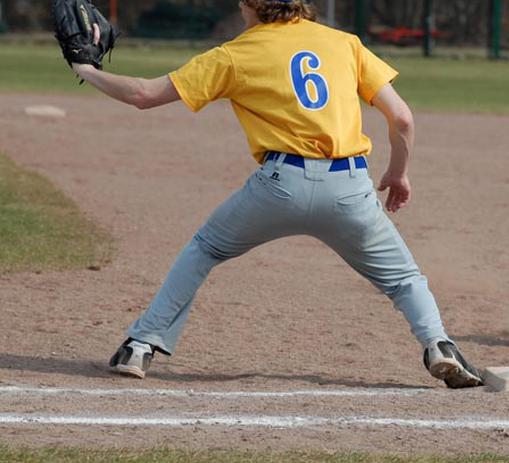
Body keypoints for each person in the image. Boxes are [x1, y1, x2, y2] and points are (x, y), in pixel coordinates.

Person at [70, 0, 483, 388]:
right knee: (404, 279)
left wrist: (85, 67)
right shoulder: (344, 44)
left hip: (280, 185)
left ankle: (140, 346)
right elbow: (403, 119)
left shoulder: (235, 53)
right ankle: (439, 346)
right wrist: (398, 173)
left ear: (249, 4)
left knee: (205, 249)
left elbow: (144, 95)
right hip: (350, 189)